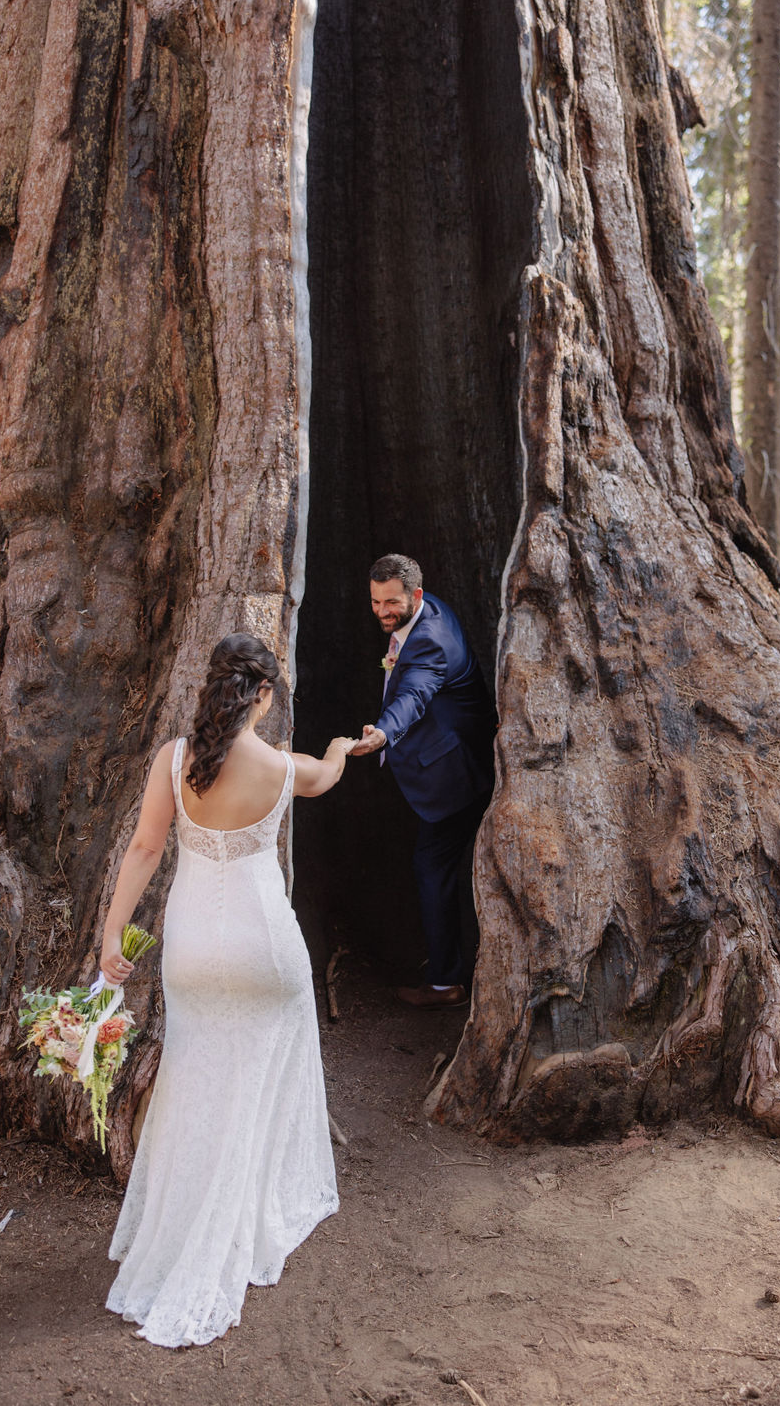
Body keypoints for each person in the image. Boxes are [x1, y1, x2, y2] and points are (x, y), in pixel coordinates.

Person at [100, 632, 354, 1348]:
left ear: (213, 686)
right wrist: (341, 750)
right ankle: (244, 1214)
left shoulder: (173, 761)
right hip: (264, 950)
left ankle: (184, 1223)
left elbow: (145, 848)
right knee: (264, 1075)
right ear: (264, 695)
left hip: (190, 952)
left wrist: (113, 933)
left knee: (194, 1082)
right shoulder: (279, 766)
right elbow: (323, 774)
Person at [350, 554, 496, 1007]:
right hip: (448, 751)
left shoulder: (429, 640)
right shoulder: (426, 607)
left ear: (415, 594)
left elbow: (415, 692)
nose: (381, 612)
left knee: (433, 868)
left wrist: (383, 734)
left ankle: (445, 982)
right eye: (375, 601)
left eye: (390, 602)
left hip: (454, 775)